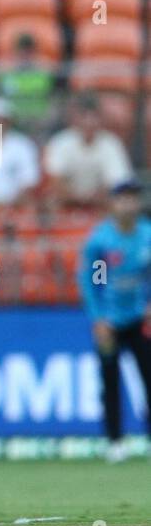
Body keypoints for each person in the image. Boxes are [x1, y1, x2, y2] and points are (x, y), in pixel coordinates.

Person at [77, 181, 151, 463]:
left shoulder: (146, 235)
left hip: (139, 319)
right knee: (110, 380)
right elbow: (94, 283)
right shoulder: (103, 241)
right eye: (123, 199)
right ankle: (115, 440)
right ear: (113, 204)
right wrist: (99, 320)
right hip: (110, 322)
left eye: (133, 199)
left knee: (149, 377)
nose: (128, 205)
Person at [44, 93, 133, 208]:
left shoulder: (112, 144)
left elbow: (118, 182)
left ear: (101, 119)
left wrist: (95, 197)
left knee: (122, 201)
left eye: (93, 117)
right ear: (75, 119)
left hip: (100, 202)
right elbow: (55, 179)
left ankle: (107, 226)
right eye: (84, 117)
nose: (89, 123)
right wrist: (76, 197)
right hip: (67, 201)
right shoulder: (61, 142)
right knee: (50, 202)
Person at [0, 96, 40, 208]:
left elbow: (29, 181)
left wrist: (10, 204)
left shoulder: (23, 145)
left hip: (15, 207)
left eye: (2, 120)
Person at [0, 32, 55, 137]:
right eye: (21, 51)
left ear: (34, 52)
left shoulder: (45, 73)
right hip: (12, 122)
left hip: (39, 122)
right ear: (15, 52)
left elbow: (52, 100)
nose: (25, 55)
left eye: (28, 51)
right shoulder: (5, 73)